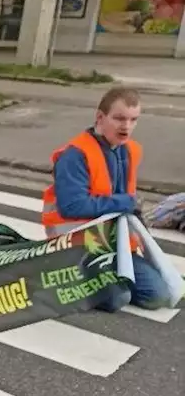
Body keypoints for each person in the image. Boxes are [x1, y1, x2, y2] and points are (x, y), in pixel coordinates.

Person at [42, 86, 172, 312]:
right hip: (77, 247)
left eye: (133, 120)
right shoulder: (75, 154)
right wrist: (125, 202)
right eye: (119, 118)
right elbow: (72, 206)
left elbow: (129, 204)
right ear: (100, 118)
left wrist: (145, 241)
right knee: (116, 299)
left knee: (157, 296)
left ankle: (103, 278)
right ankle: (57, 273)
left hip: (115, 244)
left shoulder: (130, 150)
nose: (127, 126)